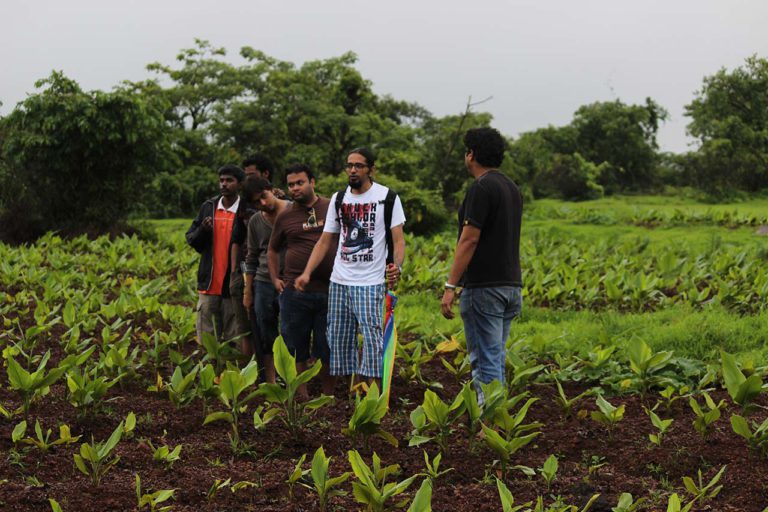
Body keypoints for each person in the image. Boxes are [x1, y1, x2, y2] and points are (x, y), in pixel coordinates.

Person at [296, 148, 405, 391]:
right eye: (349, 165)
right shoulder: (340, 198)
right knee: (340, 339)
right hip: (340, 280)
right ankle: (352, 393)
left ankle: (375, 394)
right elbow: (325, 240)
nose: (352, 170)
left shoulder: (387, 197)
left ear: (371, 169)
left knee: (373, 339)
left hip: (371, 281)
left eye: (358, 166)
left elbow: (398, 240)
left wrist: (396, 267)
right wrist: (307, 272)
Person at [440, 127, 523, 403]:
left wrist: (451, 285)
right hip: (510, 286)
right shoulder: (511, 187)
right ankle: (498, 417)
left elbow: (469, 240)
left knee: (485, 361)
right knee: (495, 356)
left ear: (471, 154)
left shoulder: (481, 187)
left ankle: (490, 422)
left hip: (485, 289)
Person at [268, 164, 336, 397]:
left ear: (312, 182)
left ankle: (328, 394)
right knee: (295, 344)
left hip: (330, 289)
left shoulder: (332, 207)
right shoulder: (285, 215)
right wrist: (275, 277)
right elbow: (272, 249)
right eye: (291, 184)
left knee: (327, 345)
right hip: (295, 292)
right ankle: (302, 395)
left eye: (300, 182)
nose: (295, 188)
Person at [186, 164, 249, 347]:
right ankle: (211, 374)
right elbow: (192, 239)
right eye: (221, 180)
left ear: (239, 184)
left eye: (229, 180)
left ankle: (232, 375)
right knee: (207, 340)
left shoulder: (246, 209)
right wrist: (203, 231)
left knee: (234, 337)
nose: (224, 184)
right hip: (209, 284)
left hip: (234, 285)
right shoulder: (208, 207)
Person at [241, 176, 290, 383]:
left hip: (291, 280)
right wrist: (248, 291)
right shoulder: (255, 222)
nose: (262, 203)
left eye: (264, 196)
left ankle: (291, 378)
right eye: (256, 202)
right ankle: (270, 380)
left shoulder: (294, 211)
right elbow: (251, 257)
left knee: (291, 331)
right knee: (265, 331)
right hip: (262, 281)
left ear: (271, 189)